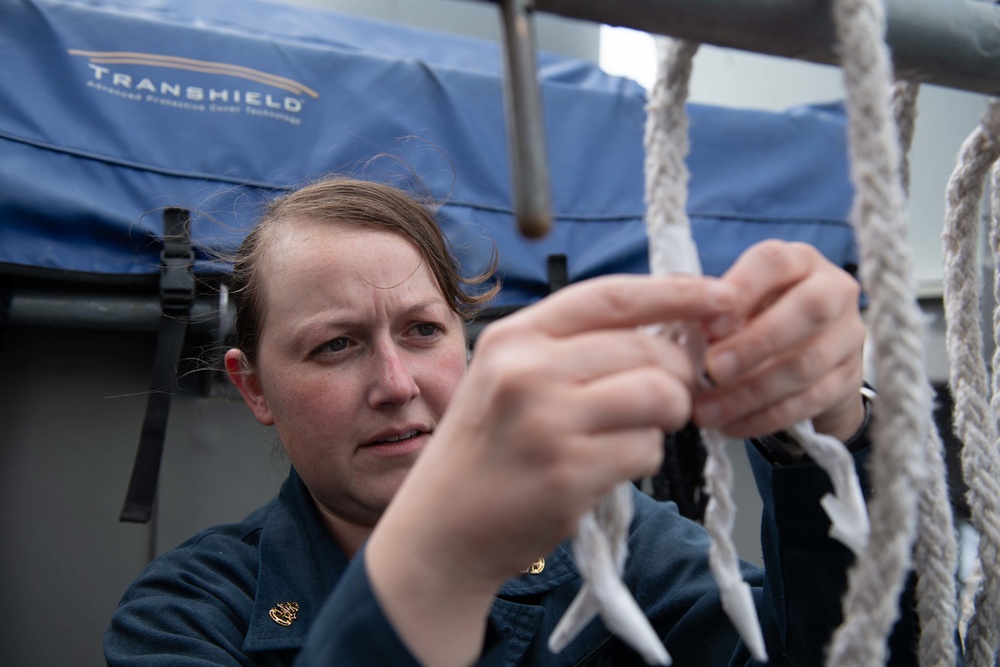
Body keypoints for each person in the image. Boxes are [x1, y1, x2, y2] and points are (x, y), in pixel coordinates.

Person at [104, 176, 912, 666]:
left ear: (466, 347)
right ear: (255, 389)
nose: (395, 383)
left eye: (423, 330)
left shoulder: (614, 539)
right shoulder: (184, 614)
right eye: (334, 345)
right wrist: (444, 560)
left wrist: (828, 433)